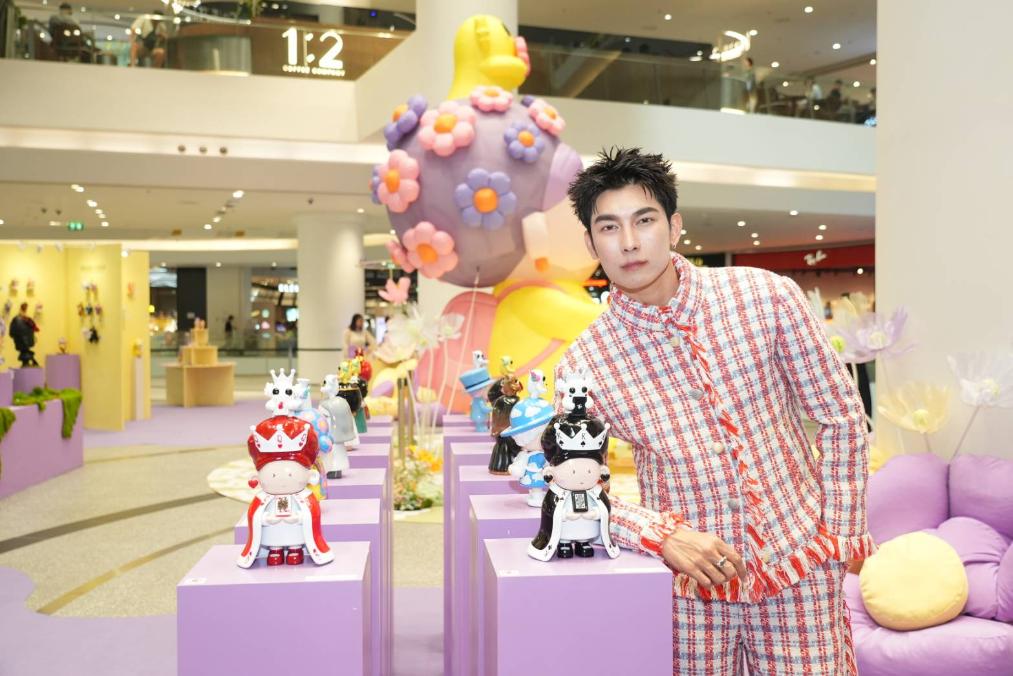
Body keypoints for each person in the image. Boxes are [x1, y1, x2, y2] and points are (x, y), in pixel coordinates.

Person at [557, 147, 871, 673]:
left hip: (800, 565)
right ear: (591, 243)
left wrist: (839, 534)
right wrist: (661, 535)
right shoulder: (585, 364)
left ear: (675, 226)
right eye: (609, 227)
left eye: (645, 220)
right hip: (687, 587)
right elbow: (571, 485)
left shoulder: (764, 296)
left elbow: (840, 415)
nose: (629, 242)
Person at [9, 303, 40, 367]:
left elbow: (11, 333)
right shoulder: (28, 320)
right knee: (26, 352)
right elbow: (35, 329)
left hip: (21, 343)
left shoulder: (17, 319)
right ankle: (31, 361)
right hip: (26, 344)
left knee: (25, 352)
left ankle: (29, 361)